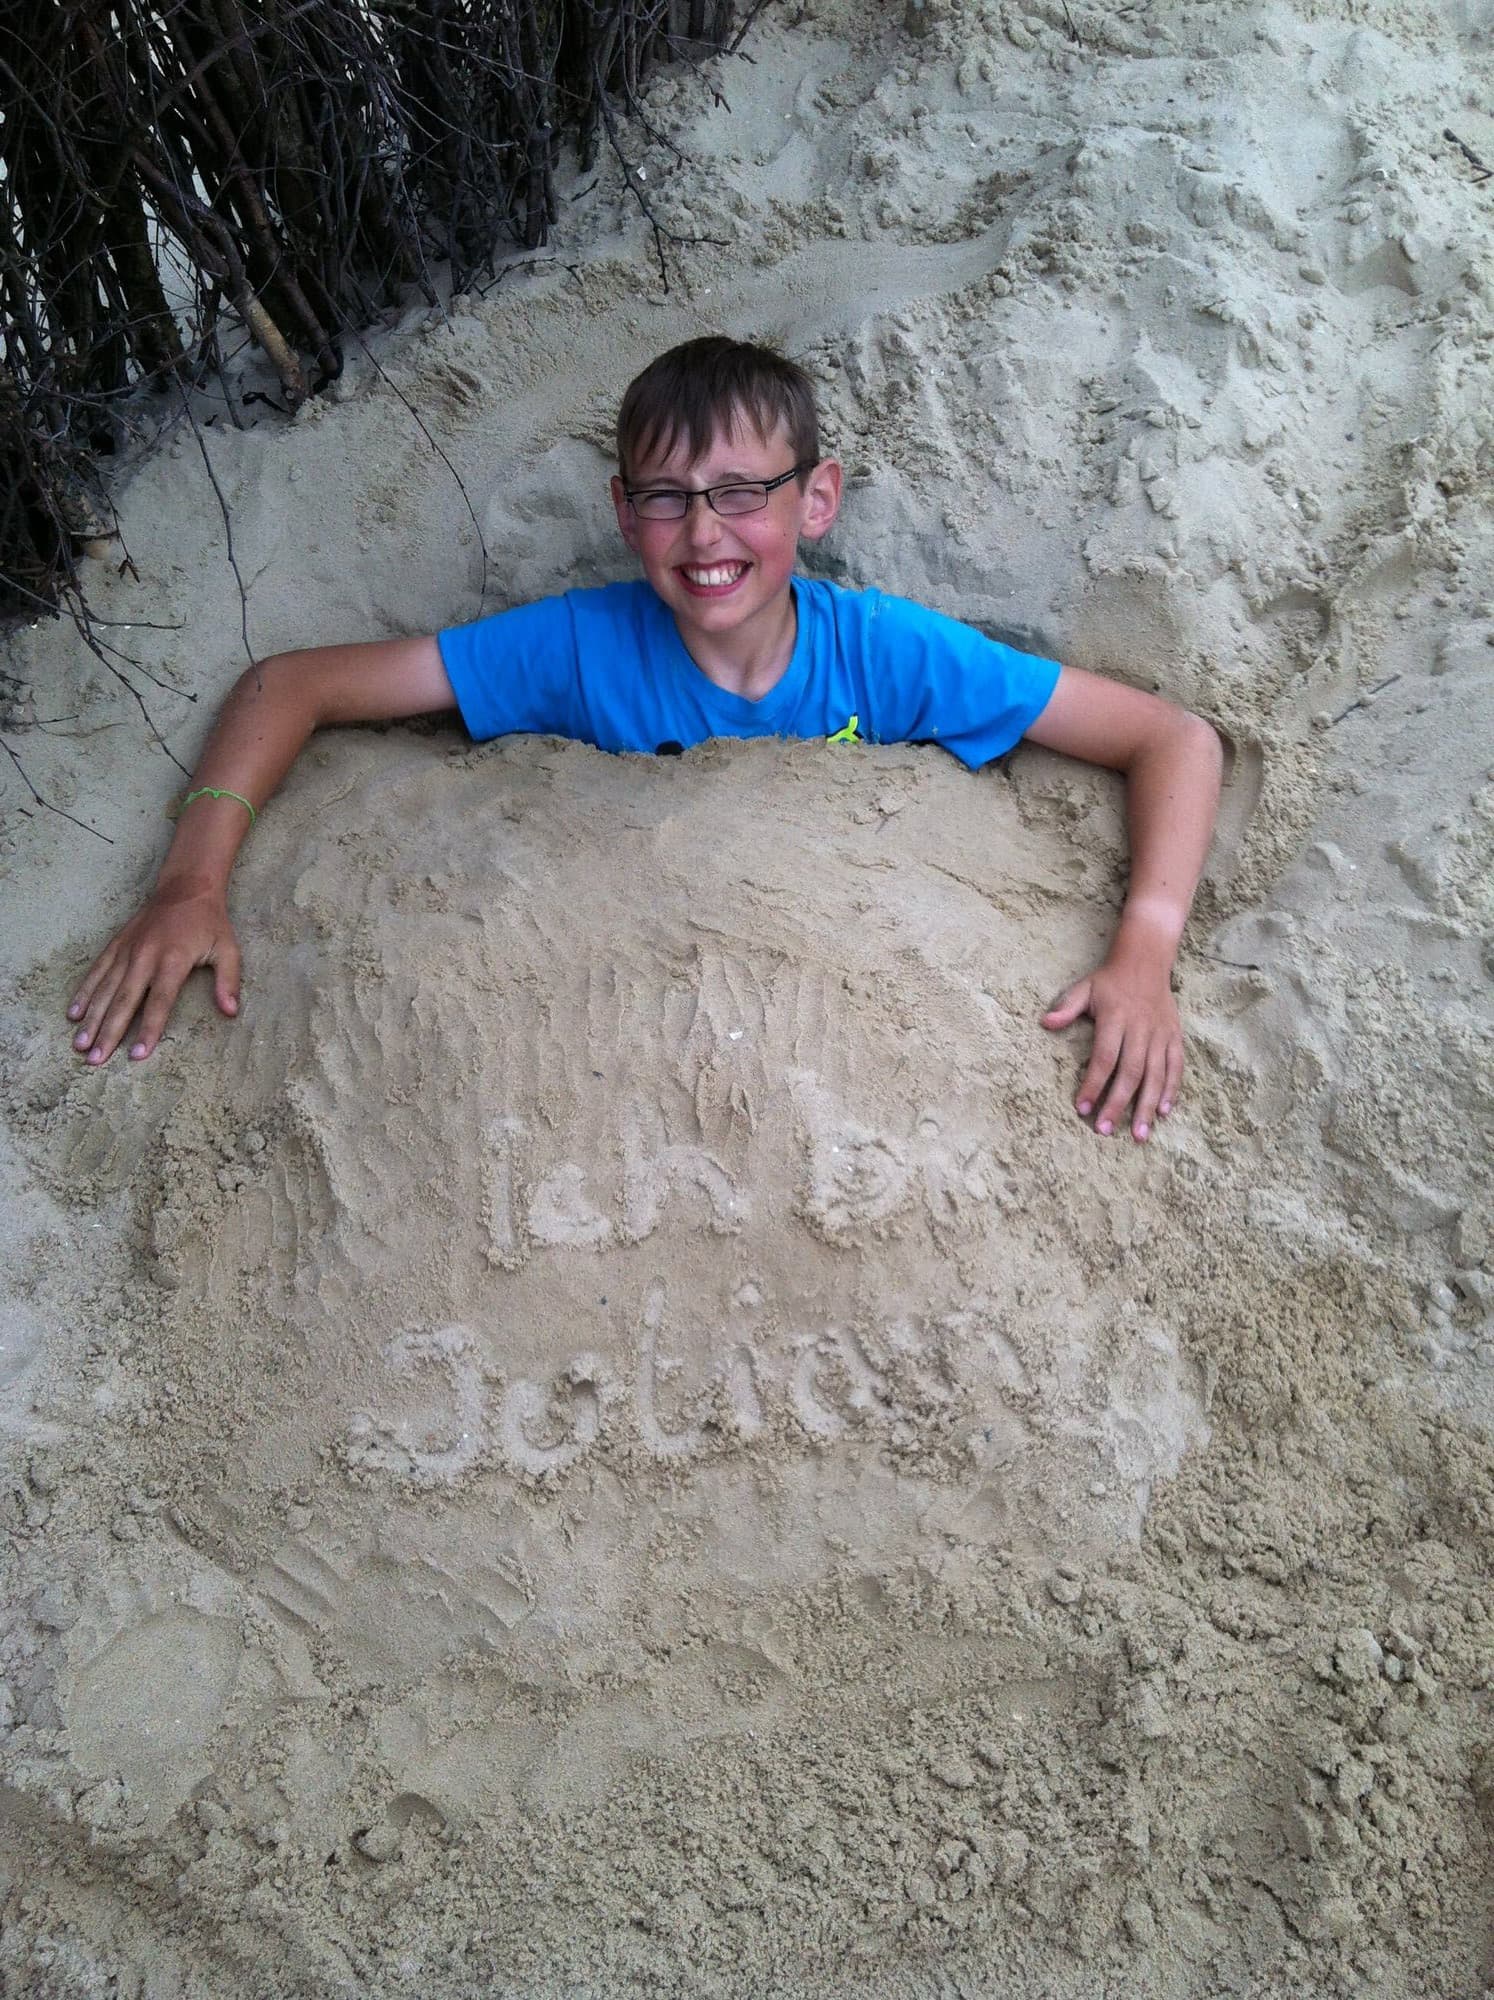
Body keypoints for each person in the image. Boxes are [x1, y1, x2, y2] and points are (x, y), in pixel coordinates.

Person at [67, 336, 1222, 1142]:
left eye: (742, 492)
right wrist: (190, 883)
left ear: (816, 499)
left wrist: (1144, 949)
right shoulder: (578, 648)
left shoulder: (891, 654)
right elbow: (290, 683)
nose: (704, 533)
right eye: (667, 496)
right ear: (624, 513)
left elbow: (1173, 740)